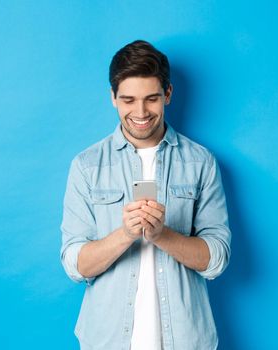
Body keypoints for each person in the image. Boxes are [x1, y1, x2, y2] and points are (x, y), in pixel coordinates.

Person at [60, 40, 231, 350]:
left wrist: (161, 234)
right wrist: (126, 234)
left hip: (186, 340)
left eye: (151, 99)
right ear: (113, 97)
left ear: (168, 94)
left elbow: (216, 259)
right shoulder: (87, 166)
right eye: (128, 100)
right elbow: (75, 264)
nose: (140, 112)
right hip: (106, 341)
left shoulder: (200, 162)